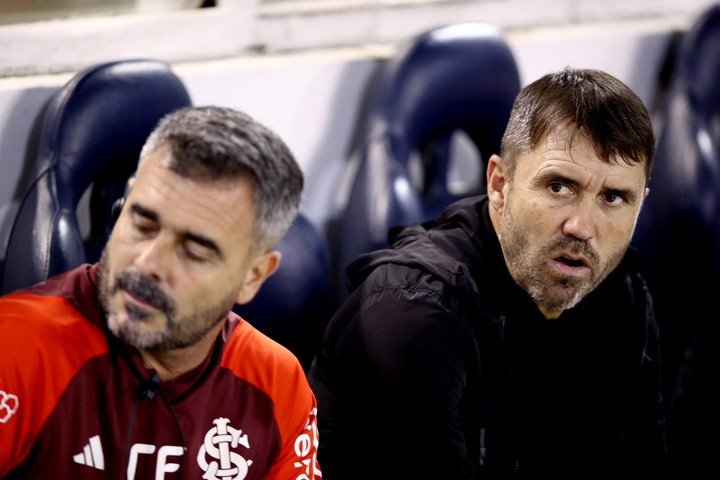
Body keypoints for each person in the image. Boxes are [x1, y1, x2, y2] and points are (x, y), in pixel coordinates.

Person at [309, 67, 668, 479]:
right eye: (558, 187)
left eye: (614, 197)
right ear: (500, 184)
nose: (582, 227)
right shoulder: (412, 315)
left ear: (640, 205)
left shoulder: (621, 294)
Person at [0, 106, 321, 479]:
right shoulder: (15, 347)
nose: (148, 263)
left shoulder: (276, 383)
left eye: (194, 250)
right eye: (143, 224)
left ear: (253, 275)